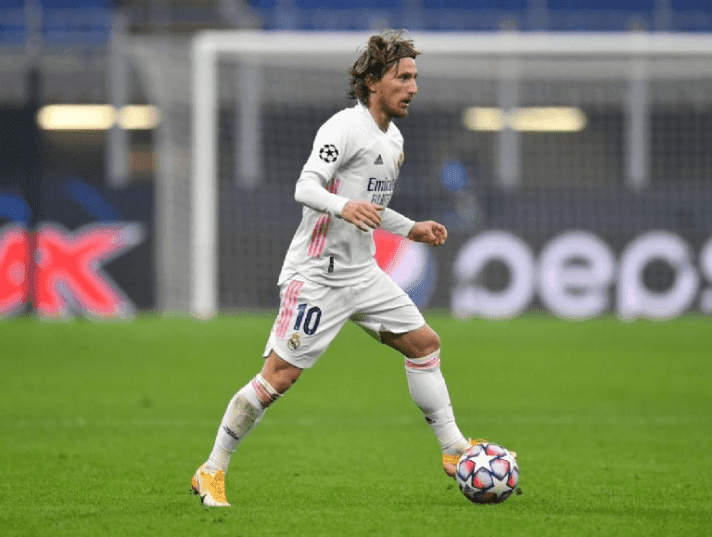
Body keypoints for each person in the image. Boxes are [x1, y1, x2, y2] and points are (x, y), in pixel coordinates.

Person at [192, 30, 476, 507]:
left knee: (425, 344)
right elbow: (305, 187)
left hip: (362, 274)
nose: (413, 87)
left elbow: (371, 209)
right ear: (373, 81)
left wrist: (411, 229)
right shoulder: (343, 127)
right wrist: (343, 206)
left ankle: (452, 448)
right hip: (317, 277)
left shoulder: (394, 140)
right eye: (402, 78)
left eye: (415, 78)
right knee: (278, 378)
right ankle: (212, 469)